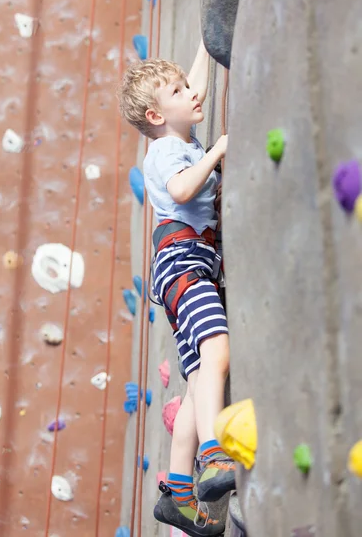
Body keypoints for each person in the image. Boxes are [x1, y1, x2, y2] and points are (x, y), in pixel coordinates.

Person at [118, 39, 234, 537]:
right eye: (177, 91)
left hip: (182, 268)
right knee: (217, 352)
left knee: (196, 385)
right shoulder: (167, 151)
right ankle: (213, 455)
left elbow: (199, 84)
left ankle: (179, 493)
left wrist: (208, 43)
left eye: (186, 87)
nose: (192, 94)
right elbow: (185, 189)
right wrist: (219, 152)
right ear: (155, 114)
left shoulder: (176, 135)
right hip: (185, 263)